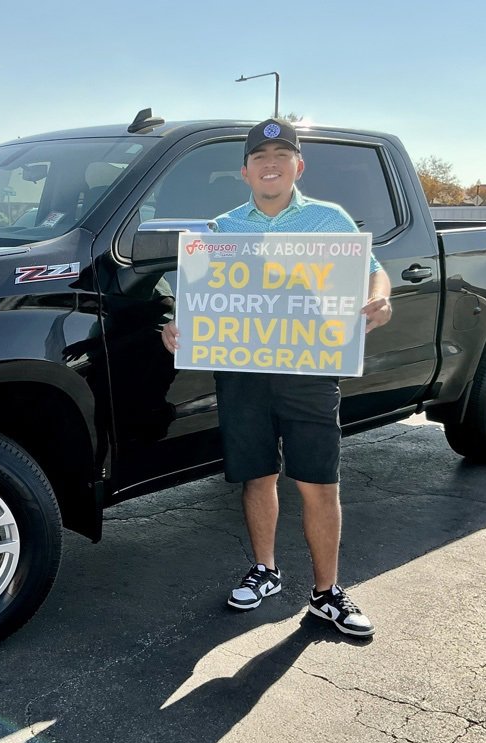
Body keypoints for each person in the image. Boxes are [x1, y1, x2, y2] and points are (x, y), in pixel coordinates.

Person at [162, 118, 392, 638]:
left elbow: (374, 268)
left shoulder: (329, 221)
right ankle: (264, 570)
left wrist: (382, 296)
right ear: (245, 171)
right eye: (261, 156)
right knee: (257, 474)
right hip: (243, 371)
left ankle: (326, 593)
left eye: (281, 155)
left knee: (318, 481)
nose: (271, 163)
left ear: (298, 166)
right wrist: (174, 323)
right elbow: (189, 289)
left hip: (310, 371)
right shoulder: (221, 229)